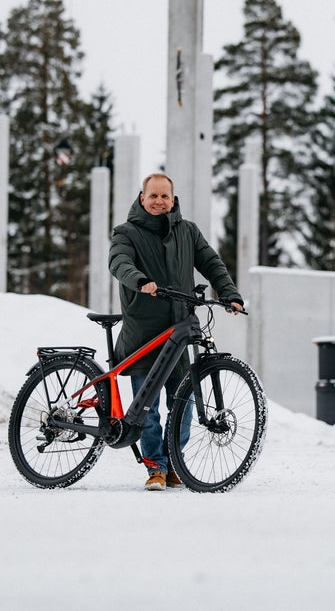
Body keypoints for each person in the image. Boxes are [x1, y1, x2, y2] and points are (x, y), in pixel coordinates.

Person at [108, 173, 243, 491]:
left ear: (173, 198)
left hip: (179, 332)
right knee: (148, 408)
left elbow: (210, 262)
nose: (158, 202)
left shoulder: (188, 231)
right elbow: (119, 261)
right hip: (144, 331)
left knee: (184, 402)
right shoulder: (126, 232)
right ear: (142, 198)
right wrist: (140, 281)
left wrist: (230, 294)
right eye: (152, 196)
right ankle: (155, 466)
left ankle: (173, 462)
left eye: (164, 196)